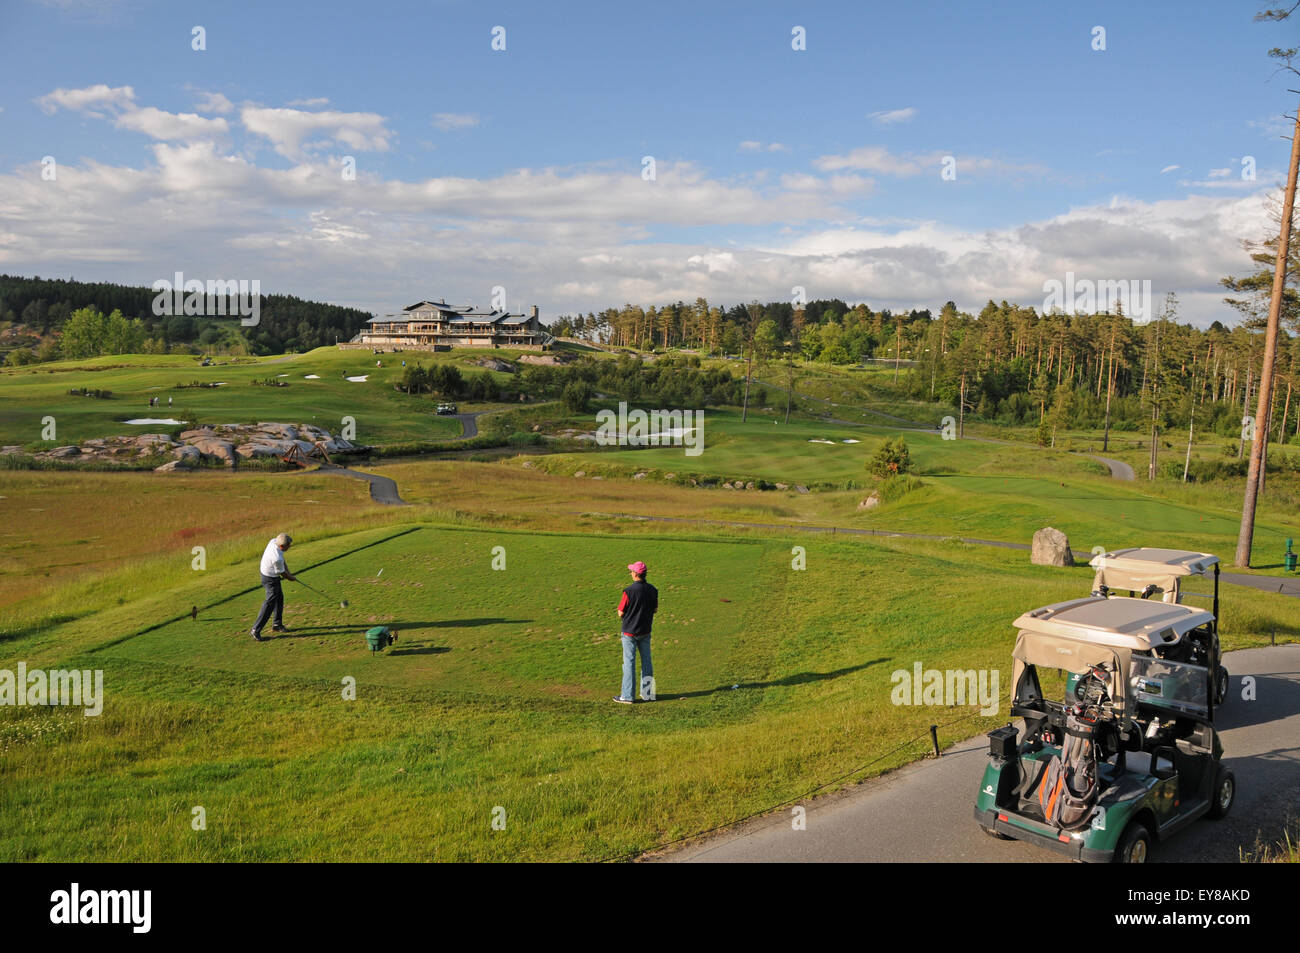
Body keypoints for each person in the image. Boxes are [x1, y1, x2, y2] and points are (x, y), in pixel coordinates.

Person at [613, 560, 658, 703]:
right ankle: (648, 694)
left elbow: (620, 612)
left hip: (629, 632)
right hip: (645, 630)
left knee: (629, 663)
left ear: (635, 574)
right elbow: (655, 609)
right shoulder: (653, 590)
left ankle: (627, 696)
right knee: (647, 662)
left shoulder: (629, 591)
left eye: (632, 571)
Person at [250, 533, 297, 641]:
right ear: (282, 546)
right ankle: (255, 630)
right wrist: (291, 577)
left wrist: (289, 572)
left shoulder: (273, 541)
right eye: (288, 545)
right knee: (270, 603)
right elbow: (283, 574)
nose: (290, 546)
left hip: (268, 573)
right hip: (269, 578)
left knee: (279, 598)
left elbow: (283, 563)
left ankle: (277, 624)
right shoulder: (277, 558)